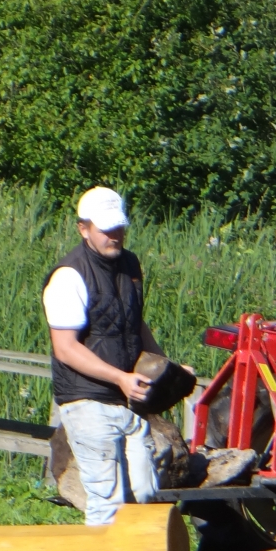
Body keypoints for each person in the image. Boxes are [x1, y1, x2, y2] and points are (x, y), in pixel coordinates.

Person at [43, 186, 170, 526]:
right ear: (83, 228)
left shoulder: (129, 264)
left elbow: (134, 321)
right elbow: (65, 347)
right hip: (87, 400)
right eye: (106, 228)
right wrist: (120, 378)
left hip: (127, 400)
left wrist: (164, 365)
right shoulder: (69, 275)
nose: (115, 235)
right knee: (107, 502)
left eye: (119, 227)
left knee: (145, 492)